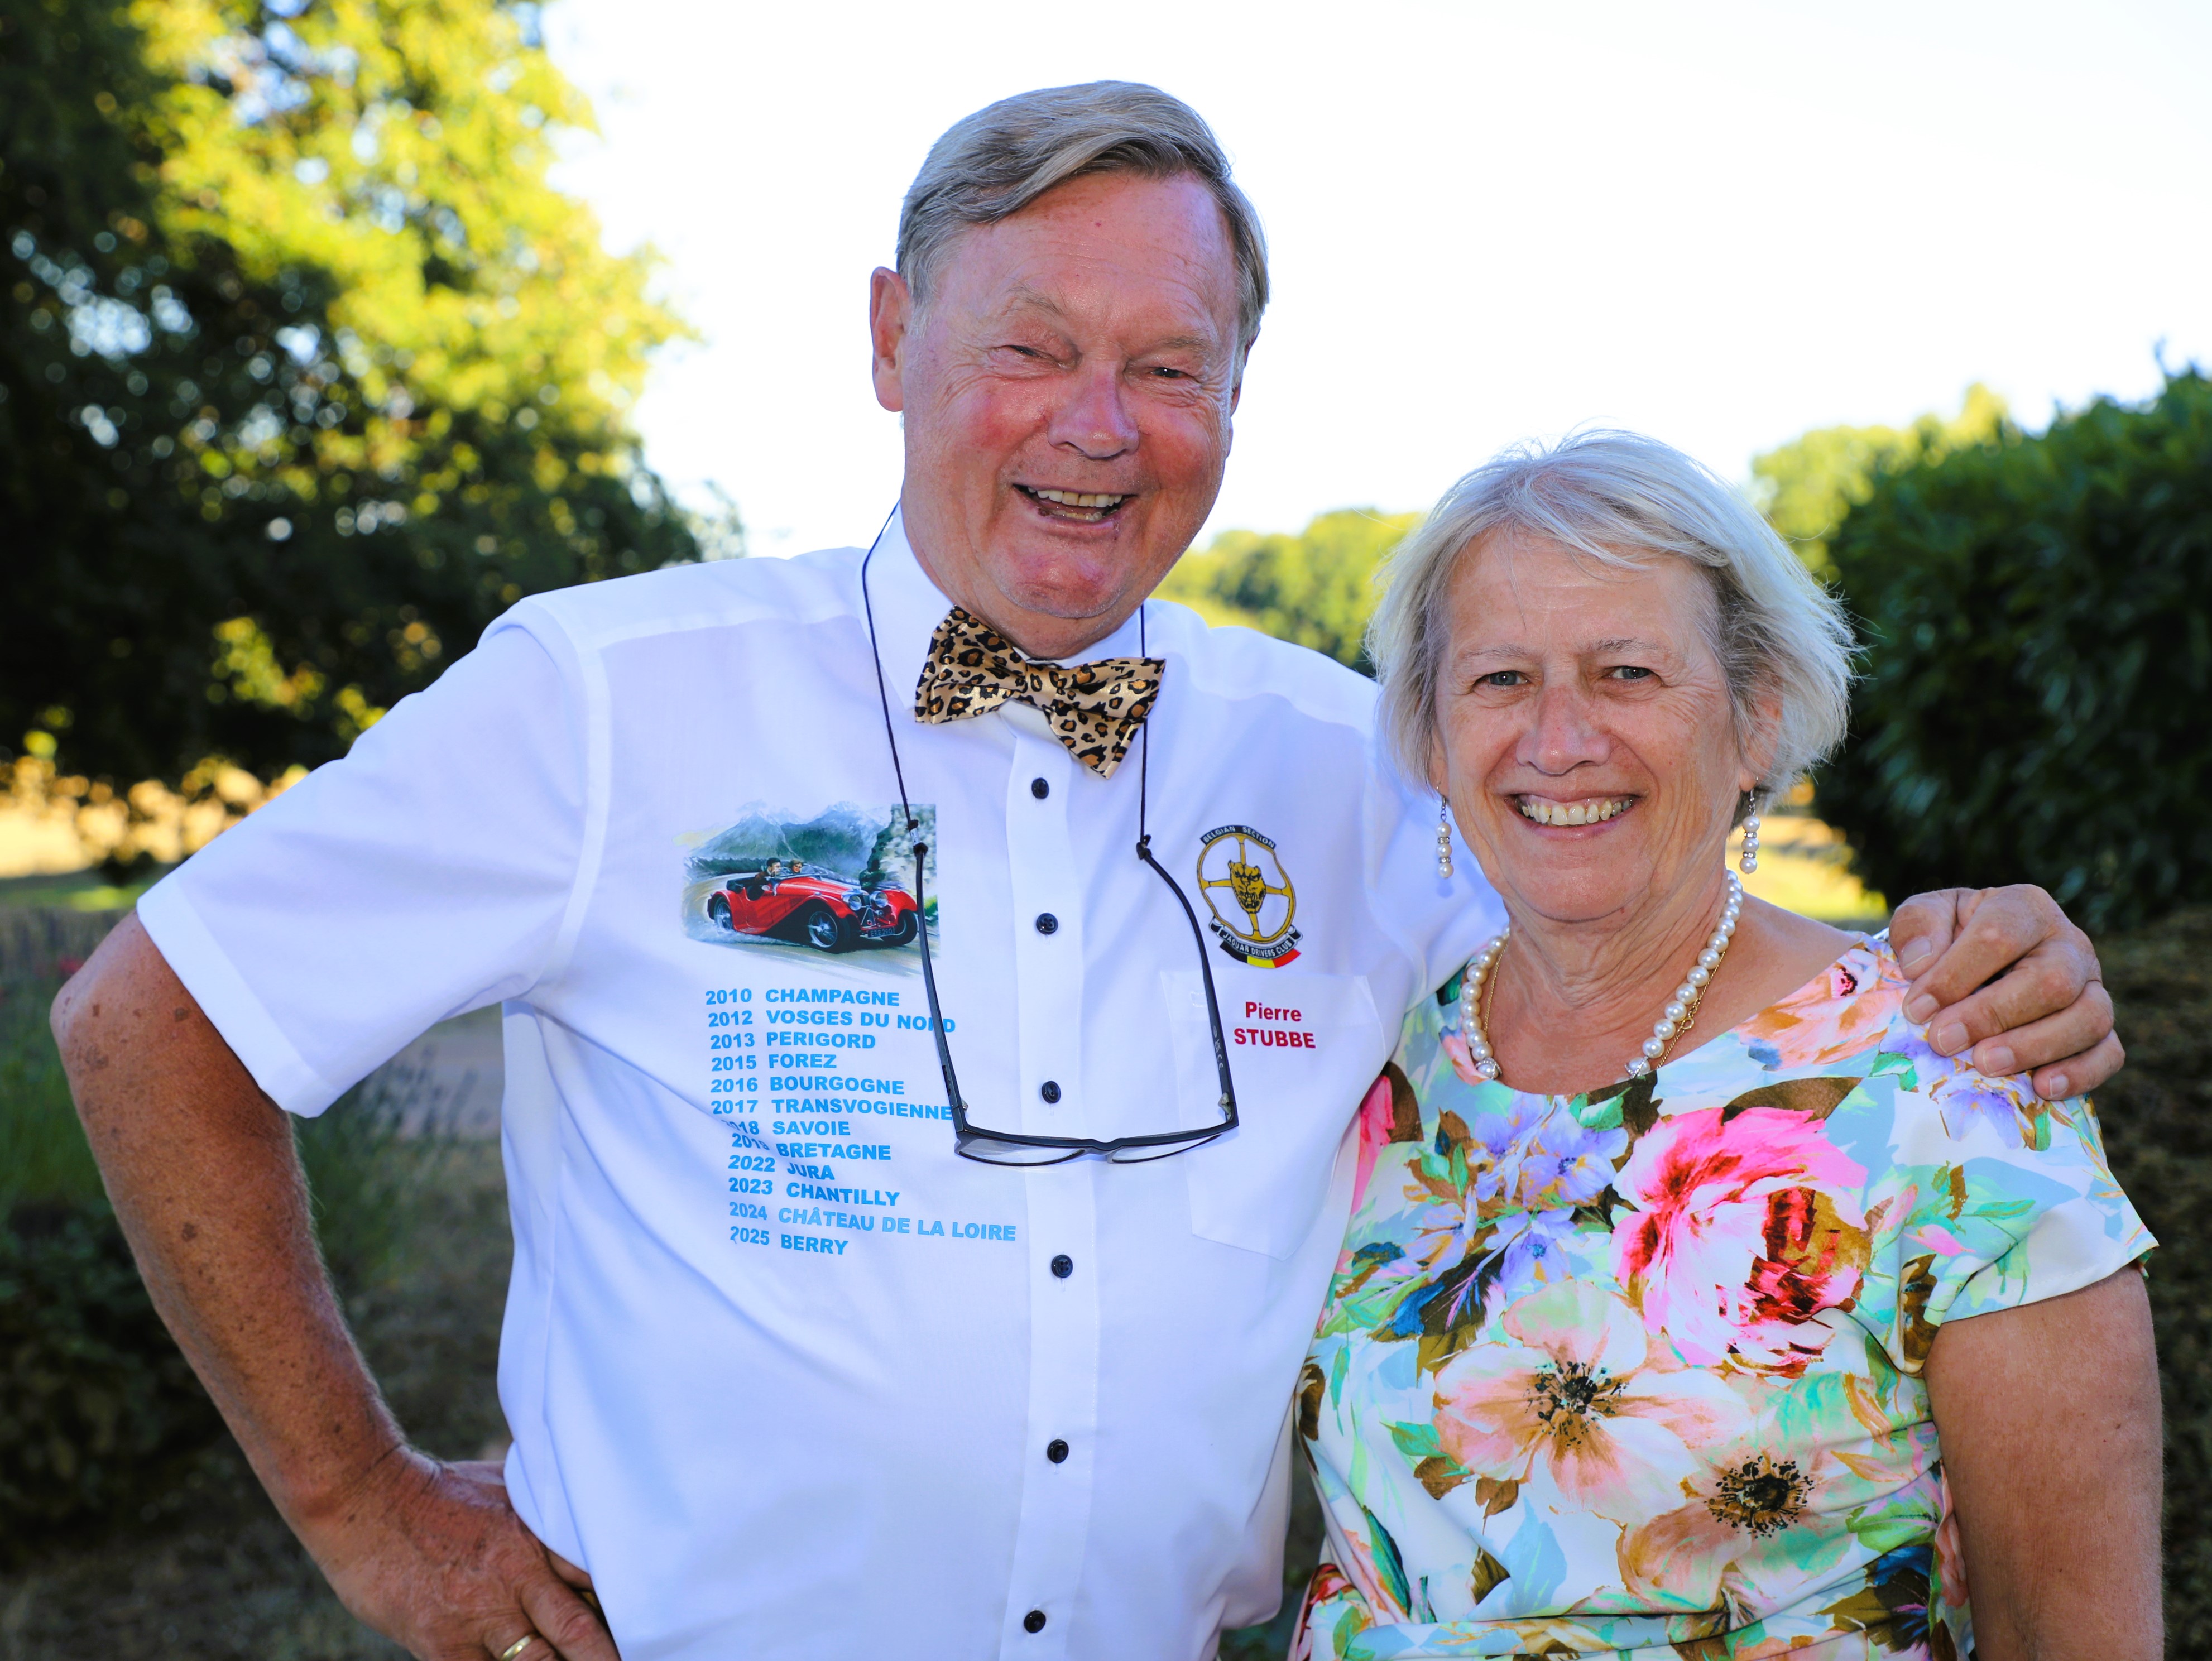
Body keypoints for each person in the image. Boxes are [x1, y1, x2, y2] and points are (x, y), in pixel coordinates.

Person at [50, 84, 2120, 1661]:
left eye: (1167, 364)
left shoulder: (1353, 759)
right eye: (1030, 346)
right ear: (891, 338)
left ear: (1235, 392)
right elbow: (155, 1014)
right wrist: (366, 1508)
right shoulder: (610, 698)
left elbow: (1641, 946)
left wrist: (1966, 958)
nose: (1097, 425)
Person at [1295, 433, 2160, 1659]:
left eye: (1627, 673)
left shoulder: (1950, 1081)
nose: (1558, 738)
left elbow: (2072, 1632)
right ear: (1432, 739)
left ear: (1756, 719)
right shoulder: (1379, 1061)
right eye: (1498, 679)